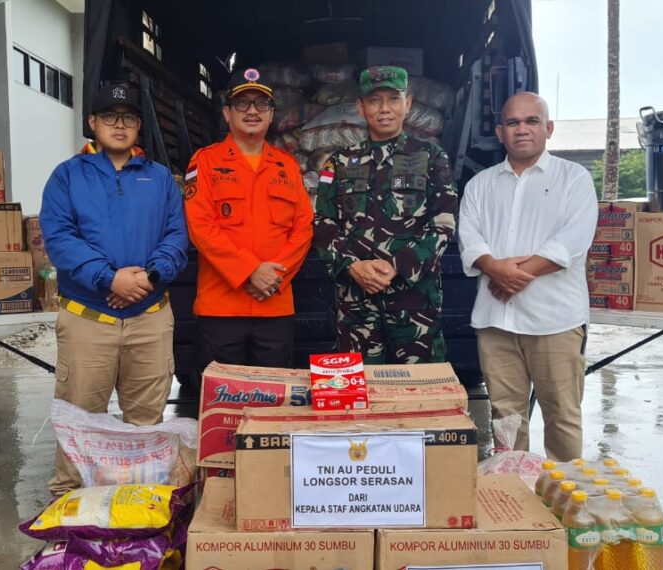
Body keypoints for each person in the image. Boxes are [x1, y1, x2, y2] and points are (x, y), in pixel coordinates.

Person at [40, 81, 189, 496]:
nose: (119, 125)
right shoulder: (67, 176)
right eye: (109, 116)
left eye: (128, 118)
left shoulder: (160, 178)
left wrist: (151, 278)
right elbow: (60, 238)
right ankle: (69, 516)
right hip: (89, 320)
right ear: (92, 122)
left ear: (139, 125)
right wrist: (110, 278)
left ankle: (139, 509)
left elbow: (177, 236)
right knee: (78, 420)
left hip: (149, 317)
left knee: (146, 422)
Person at [458, 91, 597, 461]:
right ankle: (514, 498)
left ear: (548, 129)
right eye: (513, 123)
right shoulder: (480, 185)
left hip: (554, 320)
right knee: (506, 417)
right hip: (495, 321)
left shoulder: (574, 178)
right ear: (500, 132)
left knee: (562, 415)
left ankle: (564, 500)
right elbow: (469, 240)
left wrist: (511, 274)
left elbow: (571, 241)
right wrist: (494, 267)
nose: (522, 129)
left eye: (531, 121)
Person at [312, 65, 458, 364]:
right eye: (374, 100)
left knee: (421, 394)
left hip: (414, 302)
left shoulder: (431, 157)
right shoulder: (339, 162)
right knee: (360, 394)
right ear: (360, 107)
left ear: (408, 104)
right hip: (357, 305)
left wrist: (397, 266)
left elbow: (443, 222)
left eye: (393, 99)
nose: (384, 109)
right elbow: (324, 223)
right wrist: (353, 267)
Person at [184, 68, 314, 371]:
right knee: (222, 405)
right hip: (221, 309)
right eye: (243, 103)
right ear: (227, 113)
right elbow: (200, 226)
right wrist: (249, 271)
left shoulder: (287, 165)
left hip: (274, 305)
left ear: (271, 115)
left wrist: (274, 278)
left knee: (273, 406)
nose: (252, 111)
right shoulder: (205, 161)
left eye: (261, 104)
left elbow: (303, 227)